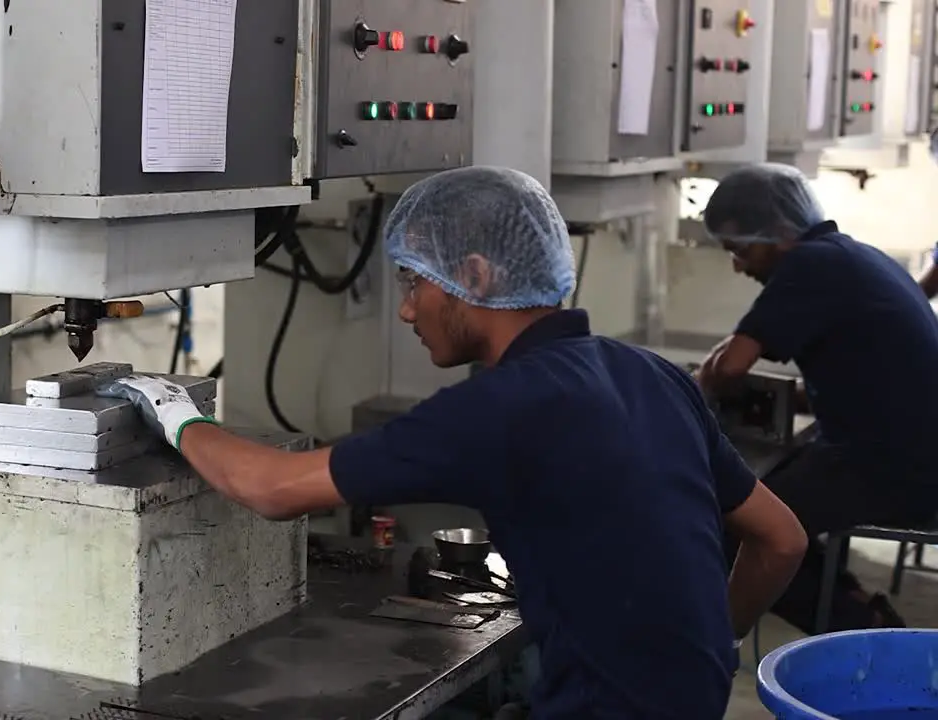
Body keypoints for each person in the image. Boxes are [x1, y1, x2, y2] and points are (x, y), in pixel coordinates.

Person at [100, 167, 807, 720]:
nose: (406, 307)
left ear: (473, 275)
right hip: (691, 696)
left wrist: (173, 415)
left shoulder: (504, 407)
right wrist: (707, 647)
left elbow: (274, 489)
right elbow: (782, 539)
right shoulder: (647, 373)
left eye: (414, 281)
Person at [695, 163, 938, 635]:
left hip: (890, 467)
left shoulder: (808, 265)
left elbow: (730, 366)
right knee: (764, 507)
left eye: (740, 250)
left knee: (739, 524)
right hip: (906, 453)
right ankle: (856, 608)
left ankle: (857, 634)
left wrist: (695, 391)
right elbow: (863, 382)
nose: (738, 266)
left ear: (778, 233)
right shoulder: (852, 253)